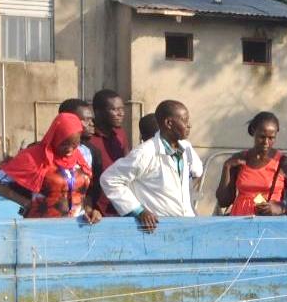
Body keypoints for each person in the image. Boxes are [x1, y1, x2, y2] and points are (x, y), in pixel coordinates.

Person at [100, 100, 198, 232]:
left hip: (185, 225)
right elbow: (109, 179)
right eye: (184, 120)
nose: (189, 125)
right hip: (157, 228)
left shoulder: (185, 149)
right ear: (169, 123)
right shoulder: (145, 152)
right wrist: (138, 211)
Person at [0, 113, 101, 221]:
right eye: (64, 144)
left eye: (75, 144)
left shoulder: (82, 158)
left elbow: (83, 193)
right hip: (42, 227)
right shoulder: (33, 157)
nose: (69, 149)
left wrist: (89, 210)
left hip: (77, 226)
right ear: (55, 137)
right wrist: (25, 202)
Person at [216, 111, 287, 216]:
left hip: (269, 226)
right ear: (253, 132)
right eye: (262, 137)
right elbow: (223, 202)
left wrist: (281, 209)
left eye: (271, 138)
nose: (266, 142)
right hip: (240, 224)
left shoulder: (284, 163)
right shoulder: (240, 159)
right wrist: (226, 167)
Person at [87, 89, 129, 216]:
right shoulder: (88, 138)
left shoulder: (120, 134)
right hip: (95, 210)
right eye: (114, 110)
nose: (120, 113)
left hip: (119, 205)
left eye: (122, 109)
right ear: (98, 112)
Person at [57, 99, 99, 177]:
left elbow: (95, 185)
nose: (92, 124)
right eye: (86, 120)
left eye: (91, 119)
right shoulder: (44, 151)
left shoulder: (91, 151)